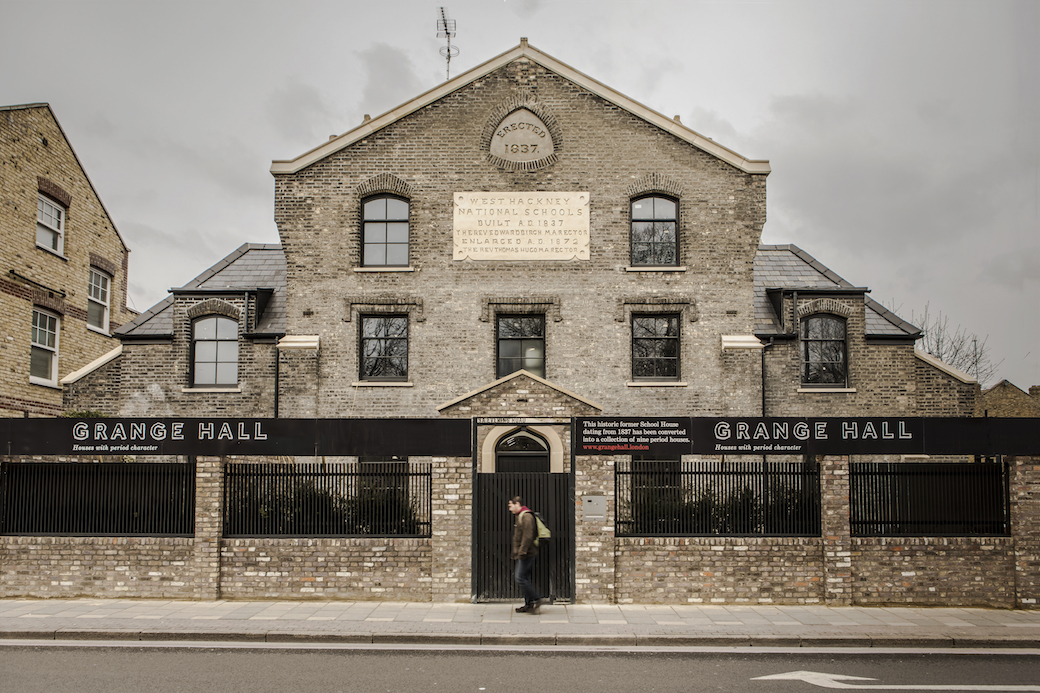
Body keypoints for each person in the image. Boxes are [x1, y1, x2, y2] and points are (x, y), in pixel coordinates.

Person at [508, 496, 544, 613]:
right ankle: (529, 604)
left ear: (517, 503)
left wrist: (522, 552)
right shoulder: (520, 516)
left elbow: (528, 536)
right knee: (525, 578)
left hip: (527, 553)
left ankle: (537, 599)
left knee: (520, 578)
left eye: (510, 505)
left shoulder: (526, 516)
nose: (510, 508)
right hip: (525, 553)